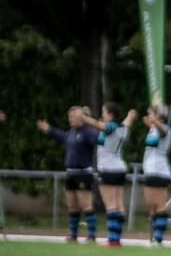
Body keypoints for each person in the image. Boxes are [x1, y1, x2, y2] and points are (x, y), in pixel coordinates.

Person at [36, 106, 99, 243]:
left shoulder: (88, 132)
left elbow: (98, 139)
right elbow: (62, 137)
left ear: (82, 117)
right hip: (70, 173)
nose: (71, 119)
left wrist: (92, 122)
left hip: (83, 173)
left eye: (74, 116)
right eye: (70, 117)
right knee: (72, 205)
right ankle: (73, 234)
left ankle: (92, 235)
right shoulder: (71, 132)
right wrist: (49, 129)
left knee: (86, 204)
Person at [82, 102, 136, 247]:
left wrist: (84, 118)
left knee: (111, 206)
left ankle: (112, 239)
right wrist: (130, 115)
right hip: (120, 168)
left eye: (104, 112)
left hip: (108, 168)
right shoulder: (122, 127)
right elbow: (127, 121)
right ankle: (117, 238)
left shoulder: (111, 126)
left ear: (111, 115)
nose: (102, 115)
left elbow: (102, 126)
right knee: (118, 205)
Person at [141, 105, 171, 246]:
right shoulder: (153, 129)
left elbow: (163, 131)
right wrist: (151, 124)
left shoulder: (165, 128)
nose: (148, 116)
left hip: (158, 170)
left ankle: (158, 238)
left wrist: (154, 122)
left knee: (159, 205)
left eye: (150, 114)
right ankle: (154, 237)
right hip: (150, 170)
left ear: (158, 116)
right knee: (151, 205)